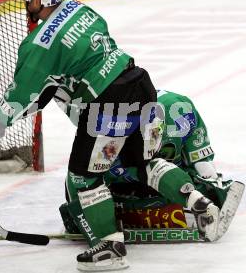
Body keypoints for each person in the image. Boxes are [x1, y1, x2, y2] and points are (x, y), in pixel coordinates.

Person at [0, 0, 220, 272]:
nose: (26, 4)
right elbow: (67, 69)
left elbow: (21, 96)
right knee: (138, 161)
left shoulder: (39, 44)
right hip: (140, 83)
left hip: (109, 101)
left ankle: (110, 248)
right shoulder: (79, 8)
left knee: (83, 177)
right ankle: (200, 204)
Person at [60, 90, 244, 240]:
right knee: (95, 205)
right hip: (123, 185)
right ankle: (185, 207)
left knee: (193, 184)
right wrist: (80, 213)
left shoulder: (180, 110)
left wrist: (210, 186)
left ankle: (195, 202)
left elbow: (201, 162)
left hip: (172, 180)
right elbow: (79, 182)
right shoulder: (109, 139)